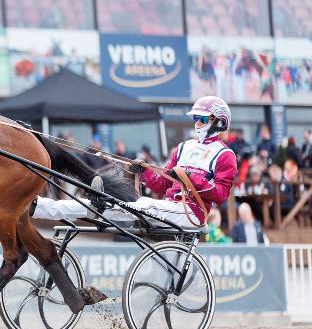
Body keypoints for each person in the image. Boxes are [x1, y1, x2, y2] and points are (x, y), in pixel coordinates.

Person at [31, 96, 237, 229]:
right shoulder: (183, 148)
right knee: (103, 206)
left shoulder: (224, 155)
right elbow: (161, 185)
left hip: (191, 213)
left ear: (219, 122)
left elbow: (220, 195)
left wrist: (190, 177)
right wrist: (144, 171)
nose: (197, 123)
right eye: (195, 118)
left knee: (139, 204)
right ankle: (39, 207)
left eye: (203, 119)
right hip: (169, 208)